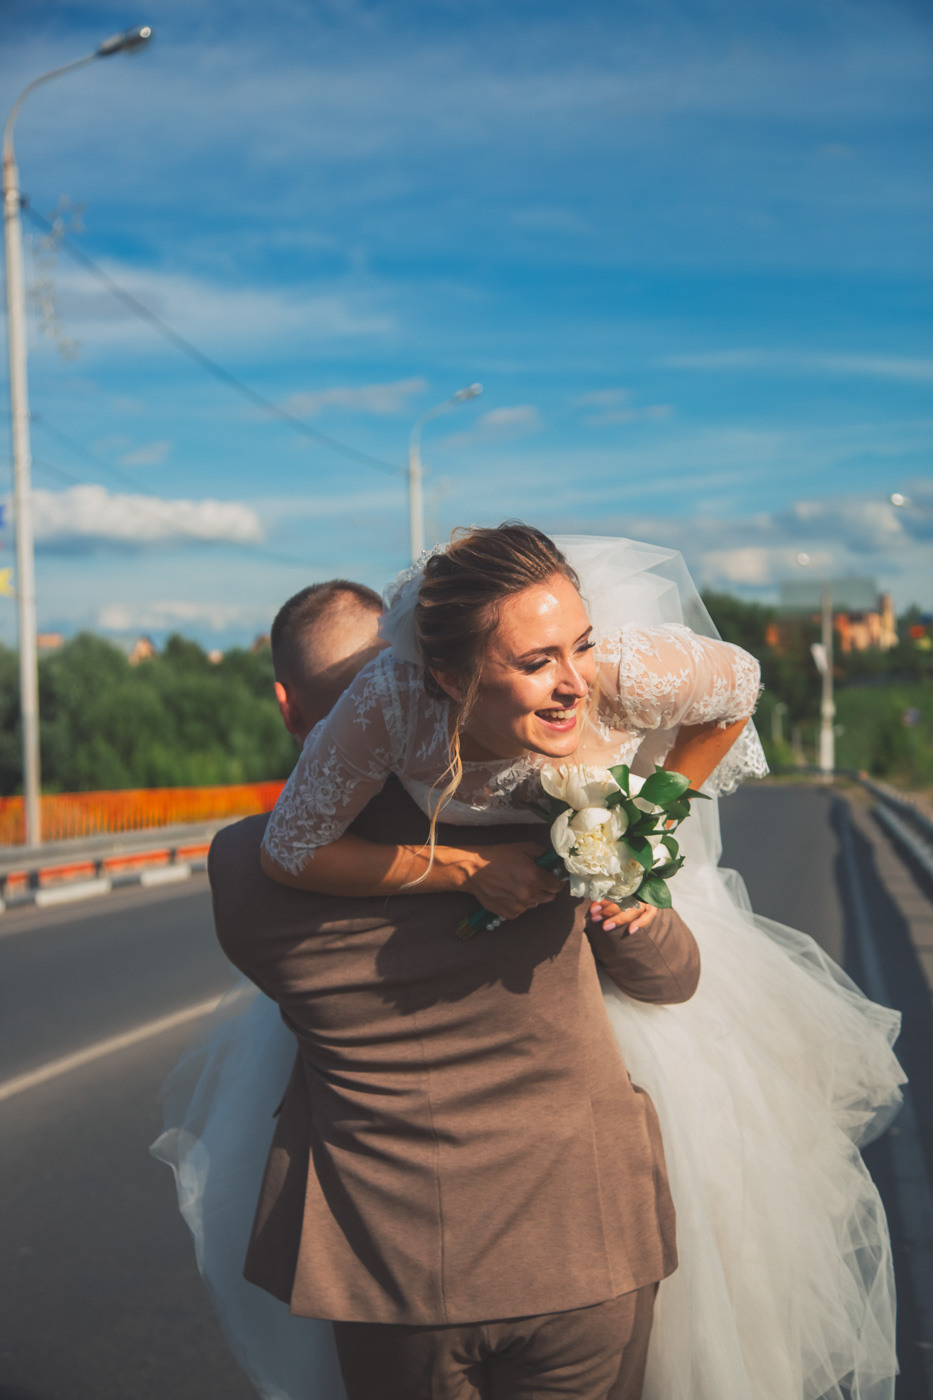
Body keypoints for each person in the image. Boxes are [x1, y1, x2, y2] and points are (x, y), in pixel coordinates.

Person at [257, 525, 903, 1400]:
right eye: (536, 661)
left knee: (688, 1193)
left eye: (580, 643)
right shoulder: (391, 705)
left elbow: (738, 686)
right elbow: (290, 848)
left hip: (613, 885)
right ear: (446, 677)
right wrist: (463, 868)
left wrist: (654, 812)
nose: (572, 681)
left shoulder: (618, 677)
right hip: (490, 945)